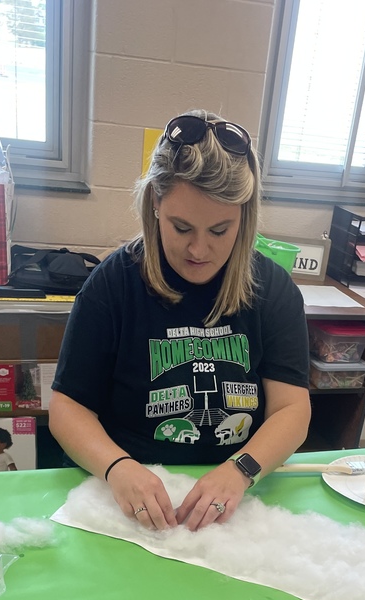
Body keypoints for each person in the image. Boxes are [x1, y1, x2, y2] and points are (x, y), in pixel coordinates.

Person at [49, 109, 311, 530]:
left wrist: (240, 470)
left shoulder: (273, 288)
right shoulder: (113, 284)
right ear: (155, 201)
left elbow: (292, 410)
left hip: (236, 493)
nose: (199, 250)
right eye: (182, 227)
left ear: (244, 215)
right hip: (130, 495)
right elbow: (68, 408)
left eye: (220, 231)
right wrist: (118, 468)